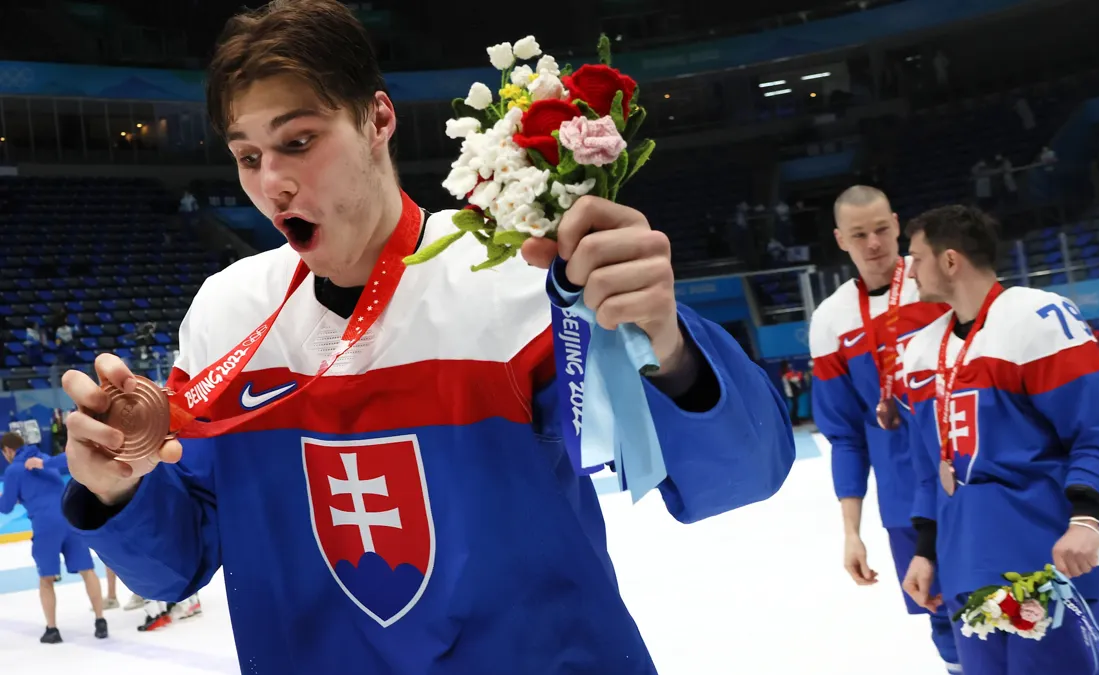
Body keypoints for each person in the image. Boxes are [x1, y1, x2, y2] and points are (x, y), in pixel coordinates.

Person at [57, 2, 795, 673]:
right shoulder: (227, 311)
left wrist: (664, 342)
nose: (271, 181)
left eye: (299, 141)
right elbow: (173, 566)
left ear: (379, 119)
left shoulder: (516, 271)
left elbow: (738, 477)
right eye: (248, 156)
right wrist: (116, 491)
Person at [899, 205, 1099, 675]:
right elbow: (929, 466)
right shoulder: (922, 349)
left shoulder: (1036, 319)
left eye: (916, 257)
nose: (908, 271)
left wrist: (1086, 520)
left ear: (950, 261)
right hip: (968, 561)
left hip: (1050, 560)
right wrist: (926, 551)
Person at [808, 186, 960, 673]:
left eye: (880, 229)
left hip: (971, 479)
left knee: (1007, 603)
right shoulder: (831, 320)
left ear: (897, 224)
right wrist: (851, 532)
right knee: (945, 621)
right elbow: (846, 436)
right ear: (840, 240)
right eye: (859, 234)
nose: (874, 243)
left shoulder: (939, 284)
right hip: (903, 500)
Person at [0, 432, 108, 643]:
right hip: (69, 518)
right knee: (88, 571)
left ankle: (52, 629)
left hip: (45, 525)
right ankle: (100, 620)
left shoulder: (14, 470)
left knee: (46, 579)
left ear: (8, 450)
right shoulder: (45, 460)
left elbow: (6, 507)